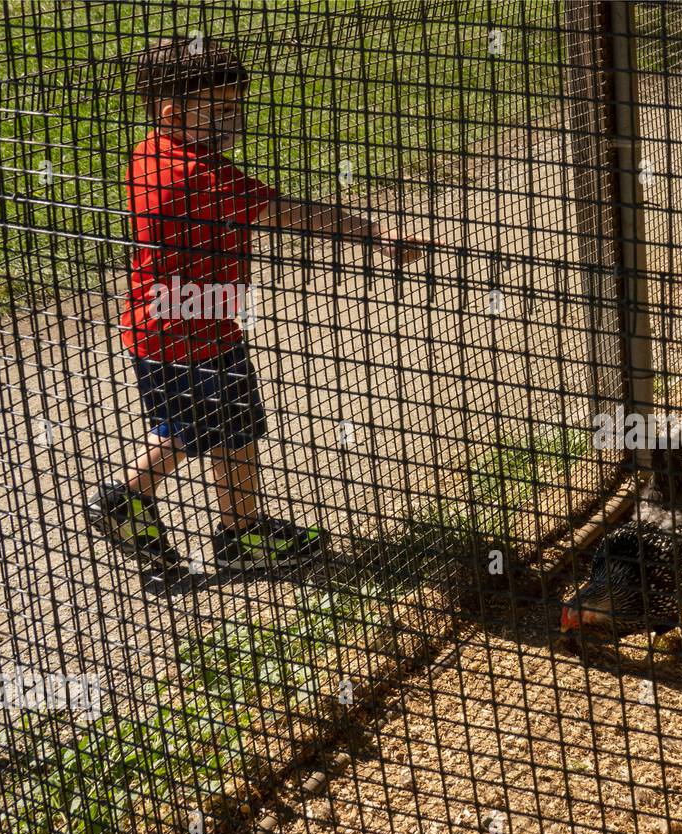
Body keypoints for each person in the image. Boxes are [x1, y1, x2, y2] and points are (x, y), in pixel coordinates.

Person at [87, 36, 428, 572]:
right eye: (221, 110)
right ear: (173, 111)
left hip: (156, 329)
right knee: (208, 429)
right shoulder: (205, 176)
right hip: (196, 332)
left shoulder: (149, 152)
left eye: (236, 107)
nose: (234, 121)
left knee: (217, 428)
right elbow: (289, 212)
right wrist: (372, 234)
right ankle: (134, 501)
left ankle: (238, 530)